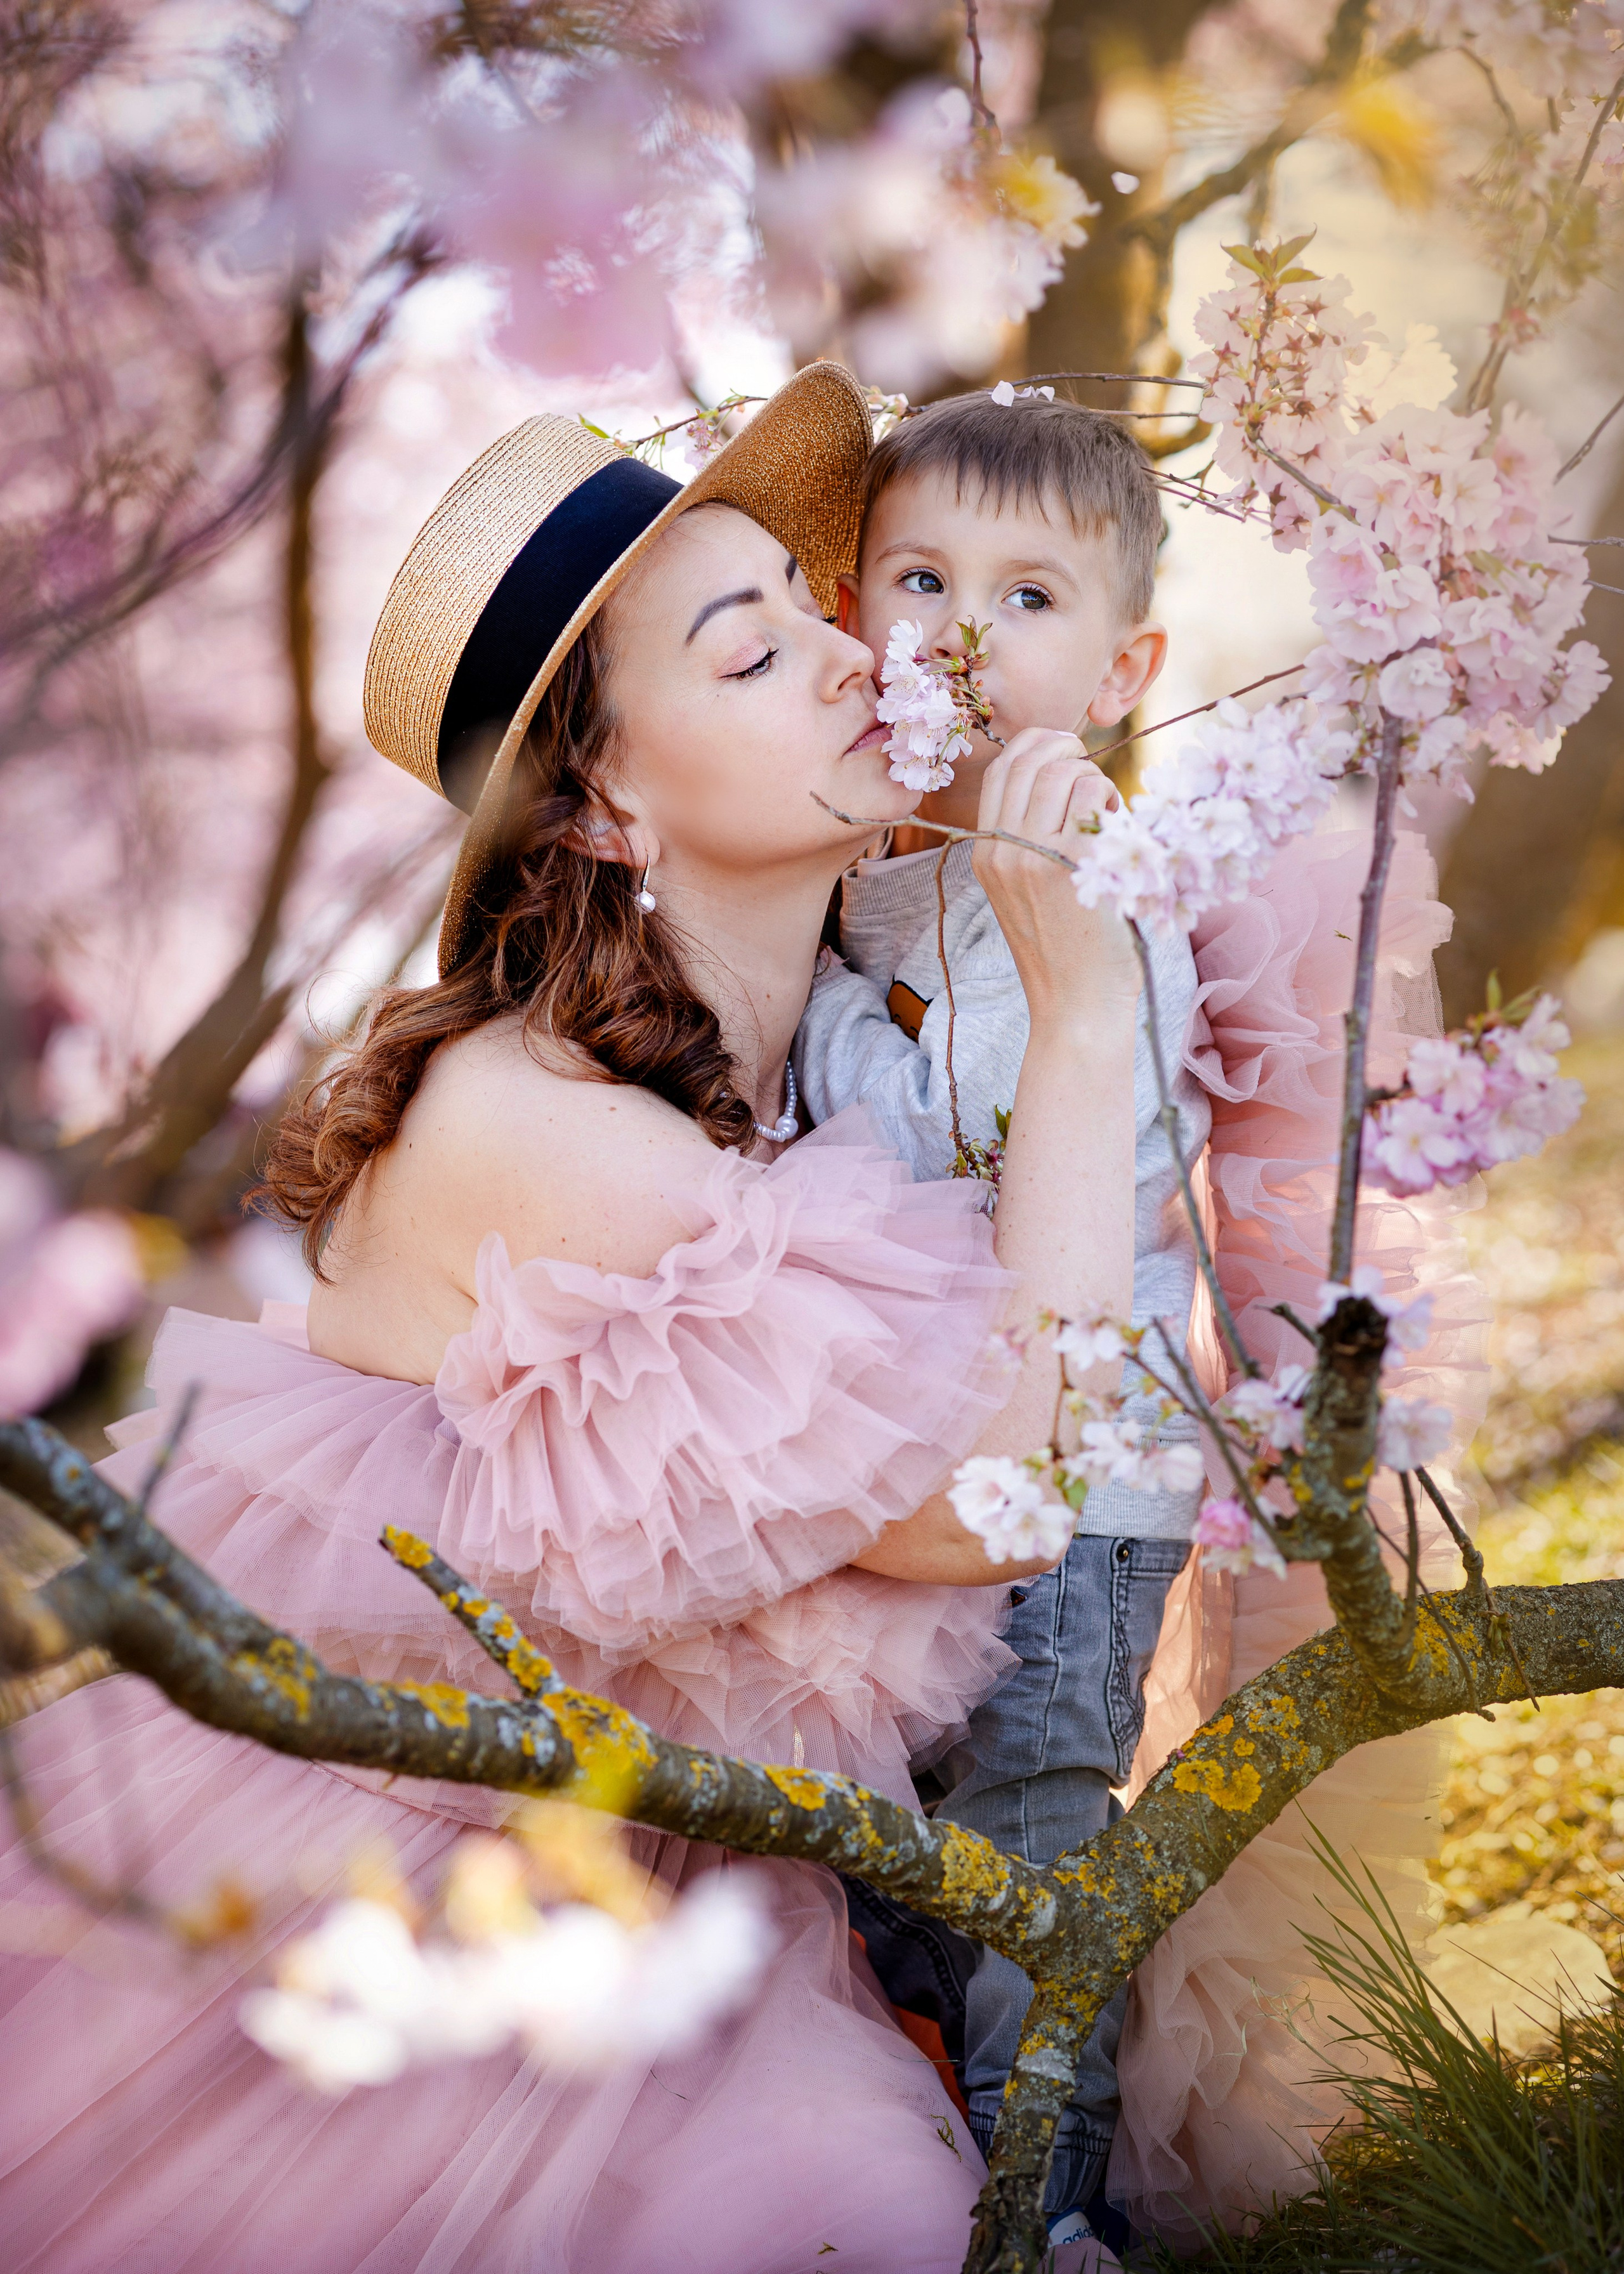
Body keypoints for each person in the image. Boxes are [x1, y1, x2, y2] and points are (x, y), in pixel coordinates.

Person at [0, 363, 1144, 2274]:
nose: (853, 658)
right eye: (751, 652)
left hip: (655, 1884)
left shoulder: (787, 1076)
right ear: (607, 798)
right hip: (384, 1918)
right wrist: (1092, 1024)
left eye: (815, 610)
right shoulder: (555, 1135)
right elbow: (984, 1510)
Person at [794, 391, 1210, 2241]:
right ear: (851, 610)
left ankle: (1045, 2215)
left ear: (1122, 672)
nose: (962, 631)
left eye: (1028, 598)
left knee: (1027, 1839)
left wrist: (822, 1009)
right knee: (891, 1869)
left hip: (1071, 1496)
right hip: (913, 1483)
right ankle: (930, 2177)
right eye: (922, 581)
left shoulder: (1106, 898)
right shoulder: (868, 882)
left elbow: (987, 1146)